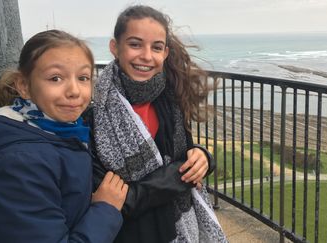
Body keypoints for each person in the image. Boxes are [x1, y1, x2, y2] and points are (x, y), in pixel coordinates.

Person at [0, 30, 128, 243]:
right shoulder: (17, 164)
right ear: (24, 86)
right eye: (56, 78)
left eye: (83, 78)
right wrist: (105, 210)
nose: (74, 91)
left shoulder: (62, 131)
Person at [90, 5, 227, 242]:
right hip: (129, 234)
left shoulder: (170, 97)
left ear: (165, 53)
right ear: (115, 48)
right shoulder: (93, 110)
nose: (146, 56)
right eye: (135, 44)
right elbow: (113, 200)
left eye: (156, 47)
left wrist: (203, 157)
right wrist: (178, 175)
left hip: (181, 226)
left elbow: (186, 154)